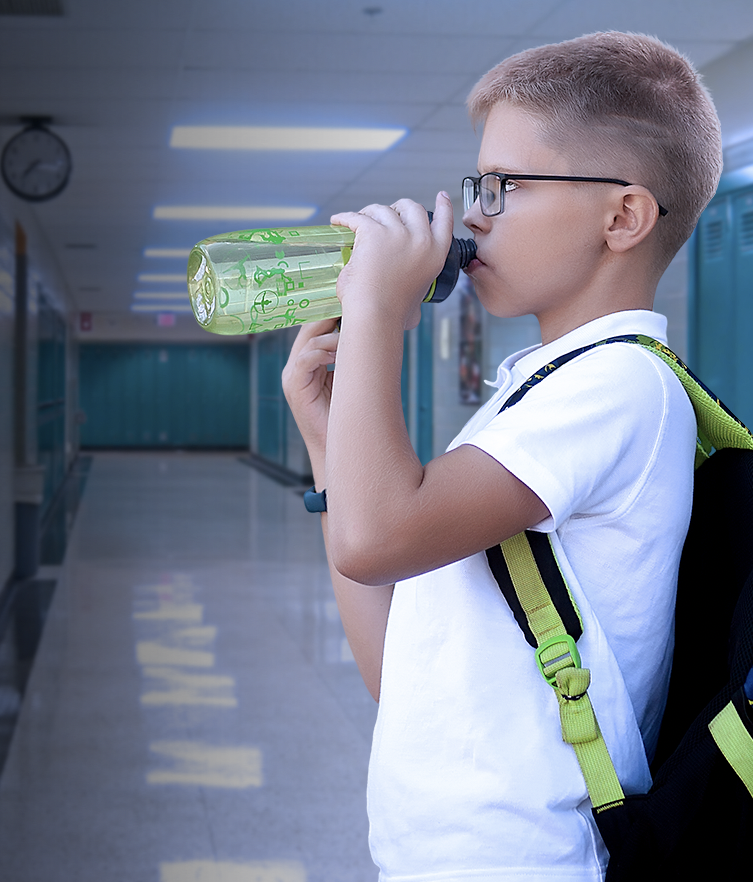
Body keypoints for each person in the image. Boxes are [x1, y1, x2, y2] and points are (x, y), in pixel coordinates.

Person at [281, 32, 722, 881]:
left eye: (505, 187)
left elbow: (375, 539)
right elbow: (396, 671)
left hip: (530, 862)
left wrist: (375, 309)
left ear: (622, 216)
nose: (473, 213)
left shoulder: (619, 385)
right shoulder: (539, 395)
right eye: (475, 185)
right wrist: (326, 440)